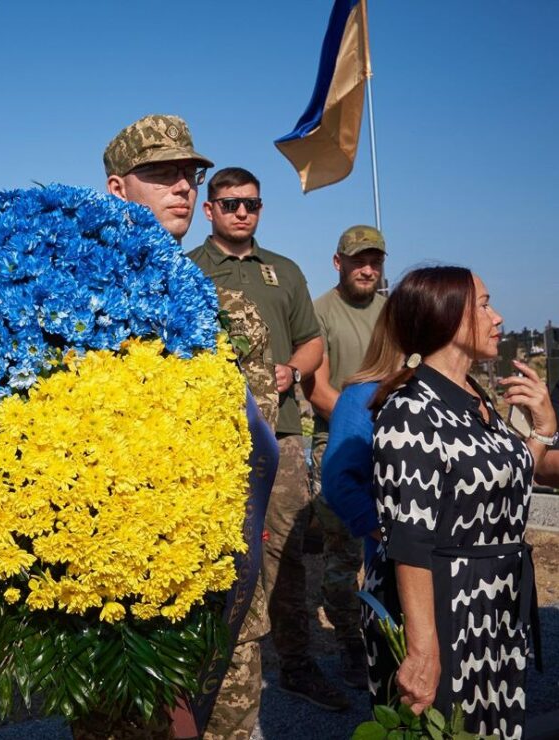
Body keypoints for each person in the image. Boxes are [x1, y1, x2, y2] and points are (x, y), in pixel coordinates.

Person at [102, 115, 277, 740]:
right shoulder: (75, 308)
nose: (182, 186)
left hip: (219, 593)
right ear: (119, 189)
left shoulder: (230, 313)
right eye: (161, 174)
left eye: (189, 174)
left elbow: (252, 460)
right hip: (111, 601)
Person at [363, 266, 554, 739]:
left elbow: (505, 481)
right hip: (448, 606)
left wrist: (544, 427)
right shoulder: (409, 409)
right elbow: (408, 539)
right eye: (485, 304)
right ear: (446, 316)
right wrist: (423, 648)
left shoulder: (474, 396)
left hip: (496, 604)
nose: (498, 316)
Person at [187, 169, 342, 711]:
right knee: (215, 558)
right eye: (230, 203)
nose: (241, 213)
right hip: (213, 443)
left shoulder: (285, 271)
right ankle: (213, 674)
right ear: (209, 210)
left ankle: (297, 665)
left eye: (251, 204)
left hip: (281, 439)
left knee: (288, 558)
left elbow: (312, 343)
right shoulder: (187, 271)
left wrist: (294, 373)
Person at [301, 225, 387, 688]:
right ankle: (351, 646)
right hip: (338, 446)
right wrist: (365, 422)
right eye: (359, 261)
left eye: (375, 261)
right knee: (342, 556)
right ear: (339, 263)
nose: (368, 269)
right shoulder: (320, 314)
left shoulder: (393, 313)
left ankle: (389, 638)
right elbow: (317, 389)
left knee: (394, 548)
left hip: (394, 447)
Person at [320, 306, 401, 572]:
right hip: (399, 570)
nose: (496, 318)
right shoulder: (363, 397)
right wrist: (391, 538)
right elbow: (338, 482)